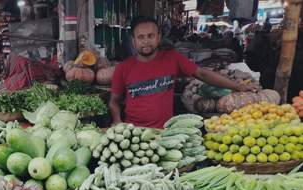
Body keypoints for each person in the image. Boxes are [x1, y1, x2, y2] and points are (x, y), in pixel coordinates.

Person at [108, 16, 261, 129]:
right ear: (134, 41)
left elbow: (203, 74)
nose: (146, 41)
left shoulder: (172, 58)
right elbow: (114, 100)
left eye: (151, 36)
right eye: (140, 37)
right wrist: (116, 119)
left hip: (166, 131)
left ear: (159, 37)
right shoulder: (123, 68)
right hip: (133, 133)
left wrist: (239, 87)